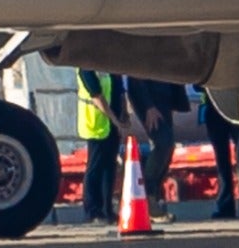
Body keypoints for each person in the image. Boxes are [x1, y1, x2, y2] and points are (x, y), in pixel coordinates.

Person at [126, 76, 190, 221]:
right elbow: (137, 74)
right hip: (150, 98)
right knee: (163, 143)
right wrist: (148, 106)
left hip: (165, 96)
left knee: (169, 147)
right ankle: (147, 196)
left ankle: (154, 198)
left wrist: (176, 101)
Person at [77, 69, 125, 225]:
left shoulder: (108, 65)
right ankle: (92, 211)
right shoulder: (85, 68)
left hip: (112, 124)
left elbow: (119, 89)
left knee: (109, 167)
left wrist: (123, 114)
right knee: (95, 167)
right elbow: (96, 96)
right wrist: (115, 120)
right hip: (96, 124)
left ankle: (107, 210)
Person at [201, 92, 239, 219]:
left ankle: (226, 205)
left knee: (225, 159)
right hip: (226, 108)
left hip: (222, 106)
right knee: (226, 159)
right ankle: (227, 205)